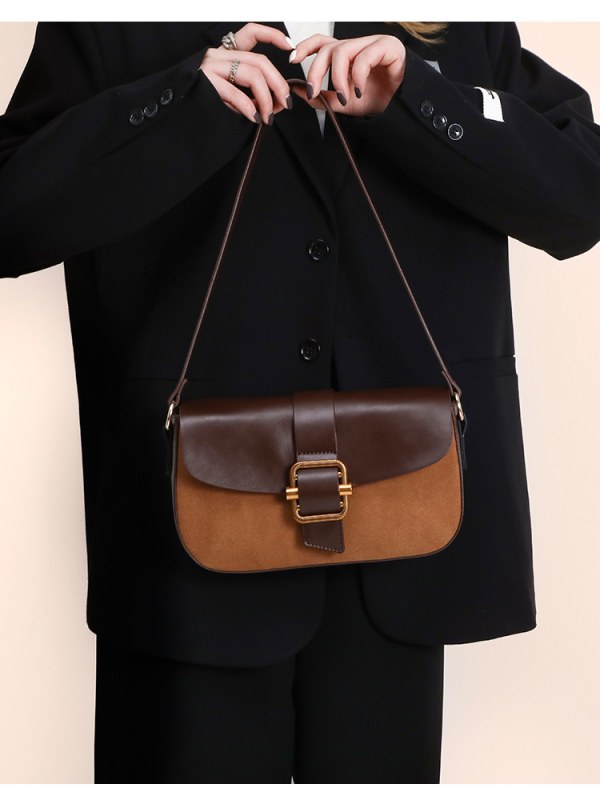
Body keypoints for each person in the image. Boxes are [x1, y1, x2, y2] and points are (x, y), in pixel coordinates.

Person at [1, 20, 600, 784]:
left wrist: (420, 95)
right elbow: (12, 217)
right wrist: (179, 97)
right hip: (182, 537)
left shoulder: (455, 23)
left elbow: (581, 199)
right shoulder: (113, 21)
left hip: (404, 532)